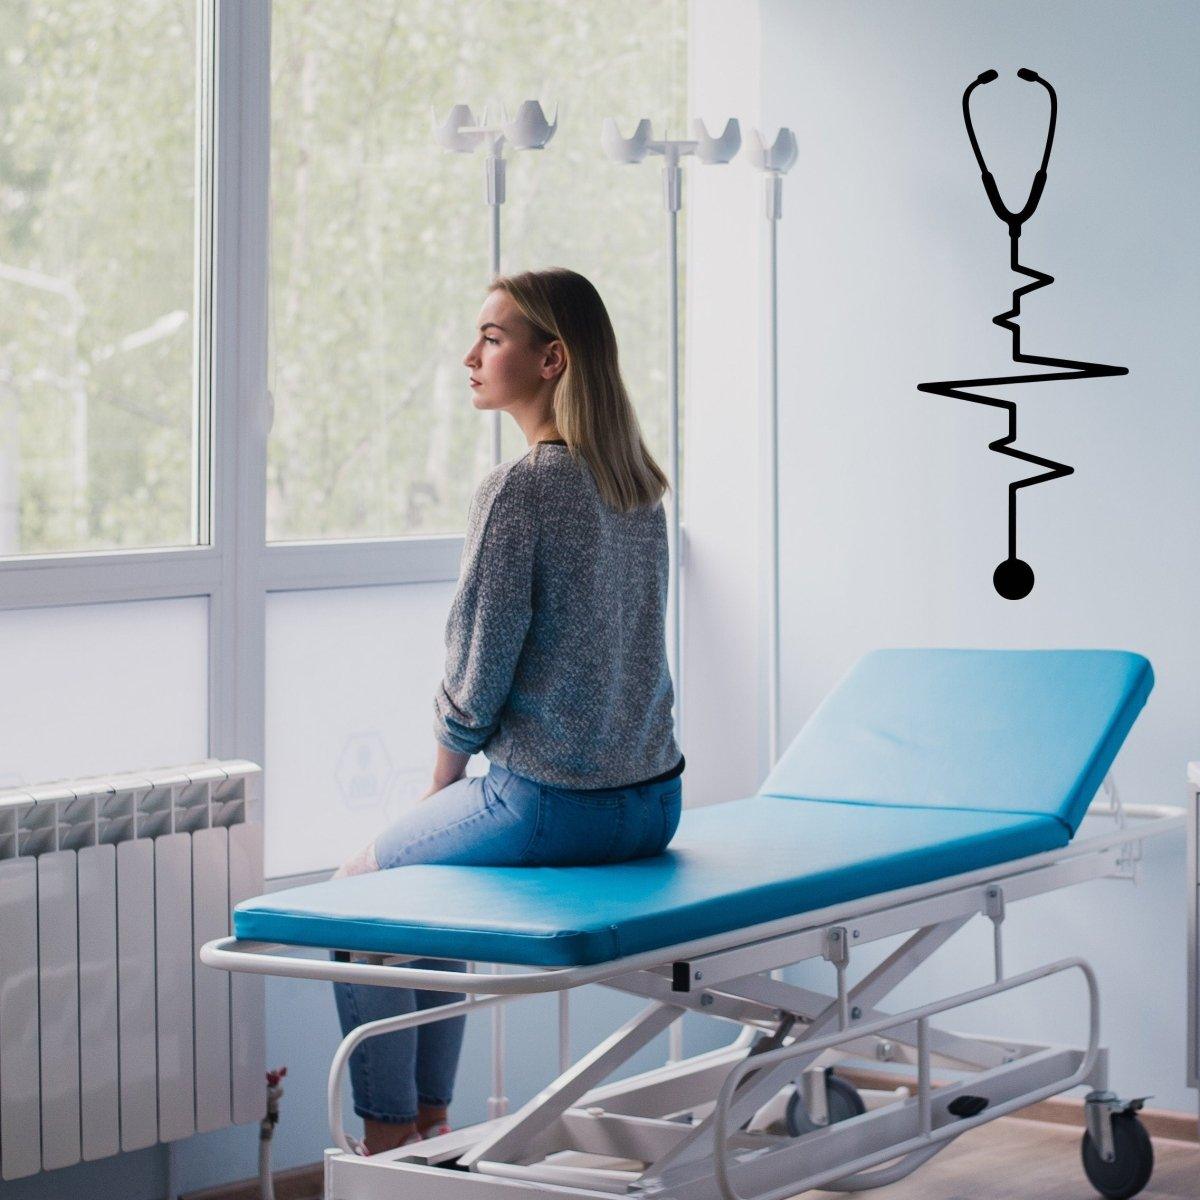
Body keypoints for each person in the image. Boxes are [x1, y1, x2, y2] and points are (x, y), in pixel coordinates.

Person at [332, 266, 684, 1155]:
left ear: (552, 358)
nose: (470, 355)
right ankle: (436, 1131)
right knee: (431, 898)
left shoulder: (521, 489)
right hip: (651, 805)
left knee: (357, 903)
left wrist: (440, 785)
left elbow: (476, 676)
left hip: (551, 808)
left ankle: (390, 1146)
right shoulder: (640, 487)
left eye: (492, 337)